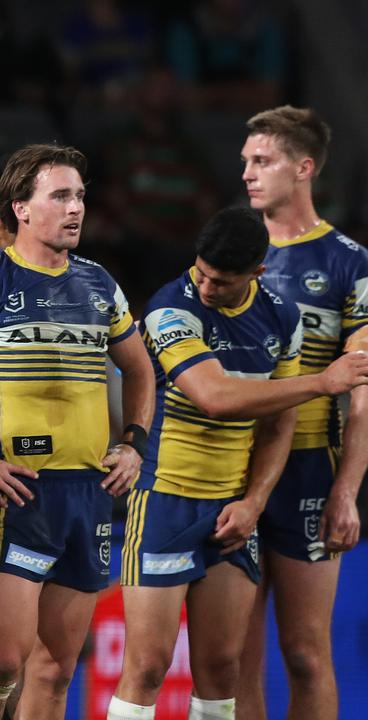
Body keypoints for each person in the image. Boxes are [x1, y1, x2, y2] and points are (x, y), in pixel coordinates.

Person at [0, 144, 155, 720]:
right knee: (3, 666)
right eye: (60, 196)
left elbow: (141, 369)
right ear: (22, 207)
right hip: (20, 494)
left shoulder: (98, 283)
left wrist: (135, 444)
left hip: (89, 496)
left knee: (57, 669)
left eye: (80, 196)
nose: (75, 208)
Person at [107, 207, 368, 720]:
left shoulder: (280, 317)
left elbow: (278, 423)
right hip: (165, 500)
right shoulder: (169, 308)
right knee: (148, 665)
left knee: (224, 666)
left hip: (231, 509)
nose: (205, 287)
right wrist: (322, 381)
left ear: (257, 273)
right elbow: (214, 397)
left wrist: (254, 501)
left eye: (221, 281)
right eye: (200, 272)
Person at [237, 106, 368, 720]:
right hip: (228, 467)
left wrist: (347, 489)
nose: (248, 174)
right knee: (233, 655)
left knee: (306, 653)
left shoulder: (348, 262)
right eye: (245, 162)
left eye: (262, 161)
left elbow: (363, 389)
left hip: (310, 471)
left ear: (304, 167)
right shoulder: (232, 253)